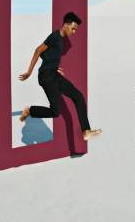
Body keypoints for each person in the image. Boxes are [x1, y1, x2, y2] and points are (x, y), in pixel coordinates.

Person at [18, 12, 102, 141]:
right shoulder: (55, 36)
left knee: (78, 96)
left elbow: (46, 54)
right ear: (66, 25)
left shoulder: (61, 39)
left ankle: (86, 131)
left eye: (75, 29)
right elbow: (38, 50)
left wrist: (53, 66)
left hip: (53, 75)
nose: (74, 32)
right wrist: (29, 71)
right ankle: (30, 111)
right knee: (55, 112)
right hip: (46, 77)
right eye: (73, 28)